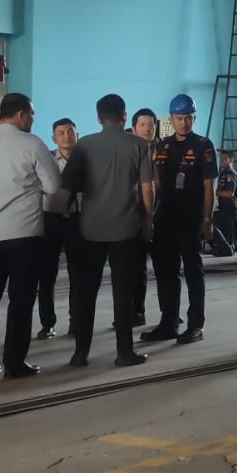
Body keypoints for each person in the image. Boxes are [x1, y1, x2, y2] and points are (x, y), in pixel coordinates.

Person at [0, 93, 62, 380]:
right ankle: (14, 363)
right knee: (20, 300)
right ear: (21, 115)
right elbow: (54, 185)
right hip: (24, 233)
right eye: (31, 114)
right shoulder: (32, 144)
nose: (32, 119)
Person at [61, 94, 154, 368]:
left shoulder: (85, 145)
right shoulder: (139, 145)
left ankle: (80, 353)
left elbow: (65, 188)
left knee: (85, 291)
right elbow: (148, 188)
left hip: (90, 229)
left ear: (99, 118)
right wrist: (148, 220)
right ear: (125, 116)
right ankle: (124, 352)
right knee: (123, 292)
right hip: (126, 228)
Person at [141, 94, 217, 346]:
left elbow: (209, 187)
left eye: (188, 118)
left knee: (193, 271)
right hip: (165, 218)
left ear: (193, 118)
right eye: (179, 118)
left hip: (191, 217)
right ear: (171, 119)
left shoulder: (203, 146)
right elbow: (154, 183)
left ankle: (196, 324)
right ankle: (169, 321)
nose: (184, 122)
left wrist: (207, 219)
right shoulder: (161, 147)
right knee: (165, 271)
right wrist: (150, 216)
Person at [36, 118, 79, 340]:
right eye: (61, 133)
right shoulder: (47, 161)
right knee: (47, 274)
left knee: (77, 274)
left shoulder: (85, 160)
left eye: (70, 131)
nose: (66, 136)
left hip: (77, 220)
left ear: (77, 134)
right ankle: (47, 323)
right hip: (50, 220)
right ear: (53, 138)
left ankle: (76, 322)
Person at [124, 108, 158, 328]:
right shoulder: (127, 151)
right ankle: (135, 311)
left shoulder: (163, 149)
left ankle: (169, 314)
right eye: (143, 124)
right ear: (134, 128)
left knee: (165, 268)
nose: (147, 128)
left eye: (151, 124)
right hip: (134, 216)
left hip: (162, 215)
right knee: (134, 268)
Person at [213, 151, 237, 255]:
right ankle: (222, 247)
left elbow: (230, 193)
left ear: (231, 160)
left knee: (218, 221)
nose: (222, 161)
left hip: (231, 207)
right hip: (224, 207)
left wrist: (215, 193)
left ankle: (227, 247)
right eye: (221, 159)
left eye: (225, 159)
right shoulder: (223, 173)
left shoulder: (231, 174)